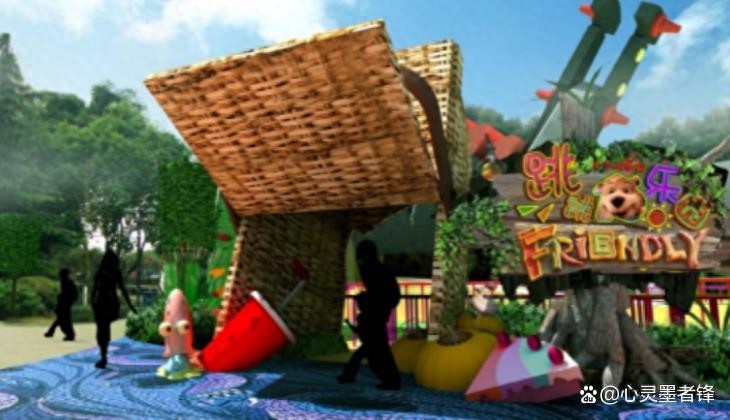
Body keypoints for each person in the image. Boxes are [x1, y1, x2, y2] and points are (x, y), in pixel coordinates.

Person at [338, 240, 401, 390]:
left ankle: (391, 380)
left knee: (376, 350)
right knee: (373, 348)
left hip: (376, 314)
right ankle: (350, 374)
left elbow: (378, 295)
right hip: (378, 313)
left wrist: (364, 300)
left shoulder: (373, 270)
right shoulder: (377, 269)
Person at [92, 249, 137, 368]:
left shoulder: (100, 271)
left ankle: (103, 355)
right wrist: (131, 306)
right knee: (106, 329)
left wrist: (92, 303)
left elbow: (94, 289)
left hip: (100, 302)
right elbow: (123, 289)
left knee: (100, 329)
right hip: (111, 303)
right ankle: (104, 354)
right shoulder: (116, 272)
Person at [44, 268, 78, 341]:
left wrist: (60, 299)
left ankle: (70, 334)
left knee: (63, 320)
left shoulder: (66, 282)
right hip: (65, 303)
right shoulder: (67, 282)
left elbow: (66, 294)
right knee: (61, 319)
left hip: (64, 304)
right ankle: (52, 332)